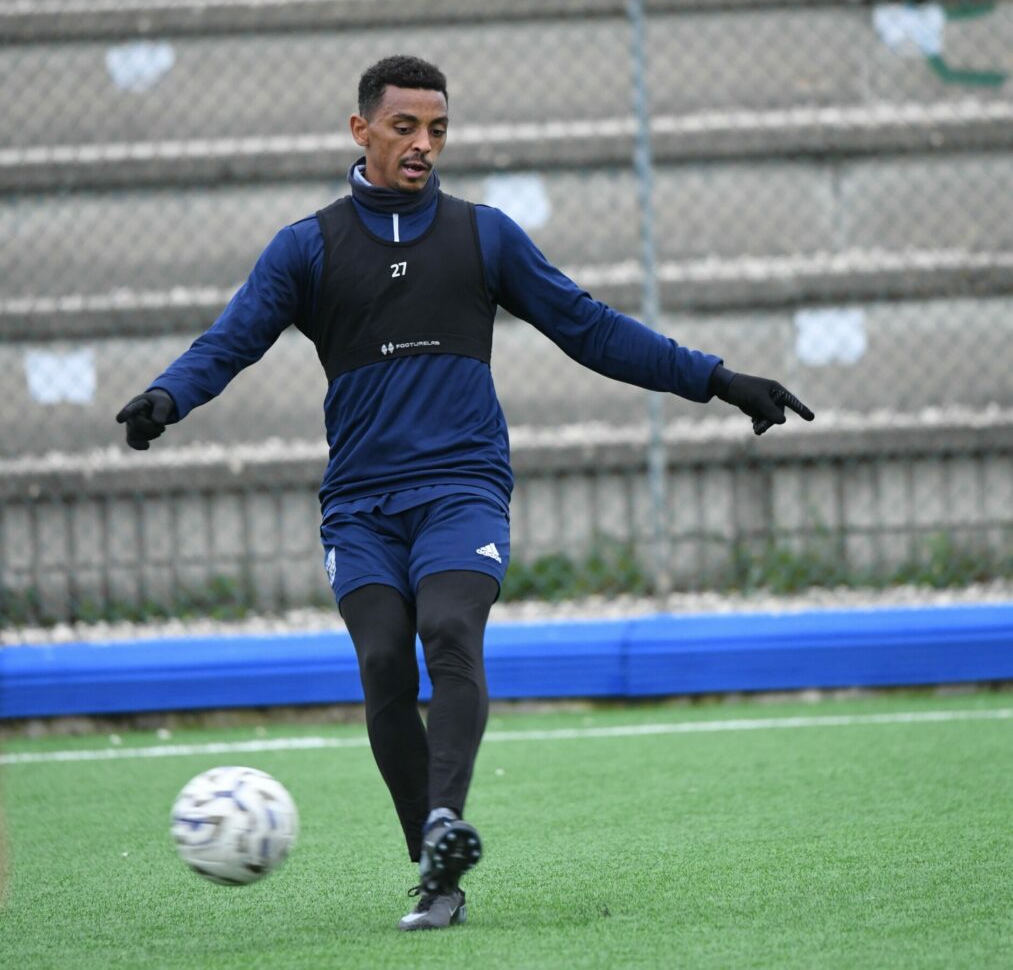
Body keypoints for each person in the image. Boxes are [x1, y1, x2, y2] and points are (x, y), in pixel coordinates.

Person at [117, 55, 814, 930]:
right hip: (360, 501)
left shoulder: (483, 236)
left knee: (447, 628)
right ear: (359, 128)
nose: (422, 144)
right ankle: (432, 859)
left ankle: (446, 828)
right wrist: (166, 397)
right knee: (380, 660)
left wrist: (716, 379)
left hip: (462, 487)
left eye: (437, 129)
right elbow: (231, 339)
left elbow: (588, 328)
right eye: (404, 126)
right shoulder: (307, 246)